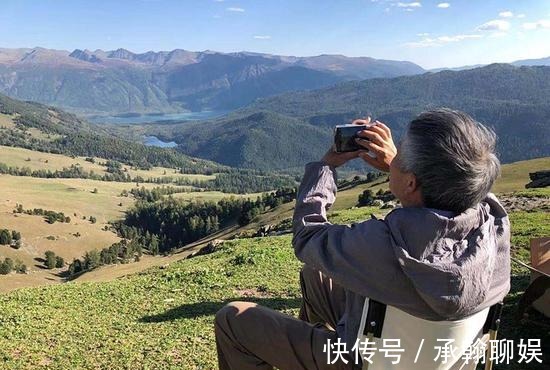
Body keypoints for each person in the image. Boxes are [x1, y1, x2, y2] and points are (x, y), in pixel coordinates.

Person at [214, 108, 511, 370]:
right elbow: (470, 195)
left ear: (411, 183)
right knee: (316, 276)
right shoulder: (496, 225)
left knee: (232, 319)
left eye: (401, 151)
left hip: (362, 361)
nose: (394, 153)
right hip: (439, 359)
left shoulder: (384, 245)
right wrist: (403, 169)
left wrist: (327, 165)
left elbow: (308, 235)